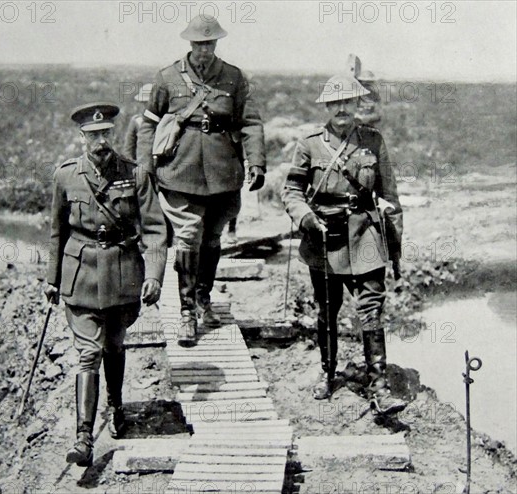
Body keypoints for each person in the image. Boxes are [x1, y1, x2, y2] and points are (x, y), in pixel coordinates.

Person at [45, 102, 167, 466]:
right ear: (81, 137)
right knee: (89, 353)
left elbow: (157, 229)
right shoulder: (65, 175)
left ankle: (115, 404)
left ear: (112, 133)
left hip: (123, 272)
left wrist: (154, 275)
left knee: (114, 345)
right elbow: (57, 231)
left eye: (105, 134)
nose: (100, 141)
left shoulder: (135, 173)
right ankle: (83, 437)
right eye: (92, 135)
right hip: (80, 276)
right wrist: (51, 280)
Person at [137, 15, 266, 346]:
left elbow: (250, 123)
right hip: (181, 171)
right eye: (198, 43)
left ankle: (204, 298)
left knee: (211, 239)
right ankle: (187, 312)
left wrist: (257, 162)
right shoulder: (167, 78)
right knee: (188, 236)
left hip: (223, 172)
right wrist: (144, 165)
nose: (203, 50)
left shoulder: (234, 78)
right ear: (189, 43)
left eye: (209, 43)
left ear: (216, 43)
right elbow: (149, 122)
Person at [281, 75, 406, 415]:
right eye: (335, 103)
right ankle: (328, 371)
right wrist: (306, 218)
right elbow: (291, 190)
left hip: (365, 233)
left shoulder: (372, 141)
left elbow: (389, 195)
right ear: (326, 107)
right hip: (324, 236)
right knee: (327, 309)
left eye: (347, 102)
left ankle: (379, 386)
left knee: (371, 307)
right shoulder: (309, 144)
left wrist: (394, 247)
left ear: (357, 105)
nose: (341, 109)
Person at [123, 83, 153, 160]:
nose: (146, 106)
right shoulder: (137, 121)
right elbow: (128, 149)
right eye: (144, 103)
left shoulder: (165, 120)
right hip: (141, 164)